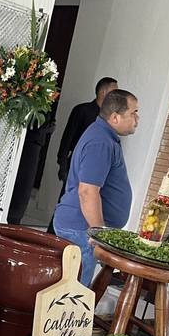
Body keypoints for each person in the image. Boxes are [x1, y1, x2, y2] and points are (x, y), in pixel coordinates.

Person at [53, 90, 139, 285]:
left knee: (71, 295)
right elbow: (87, 191)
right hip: (80, 230)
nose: (137, 118)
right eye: (133, 112)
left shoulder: (104, 136)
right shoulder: (100, 142)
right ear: (115, 117)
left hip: (82, 229)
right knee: (72, 298)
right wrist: (99, 235)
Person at [47, 77, 117, 232]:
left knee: (86, 205)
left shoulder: (108, 119)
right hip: (75, 165)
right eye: (114, 91)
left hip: (94, 171)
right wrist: (62, 164)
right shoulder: (82, 110)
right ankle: (53, 236)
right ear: (103, 92)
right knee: (67, 203)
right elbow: (67, 138)